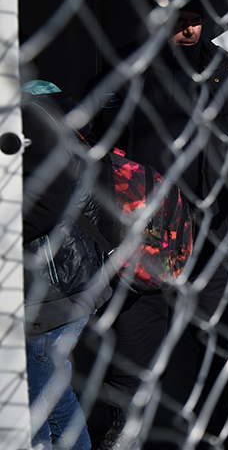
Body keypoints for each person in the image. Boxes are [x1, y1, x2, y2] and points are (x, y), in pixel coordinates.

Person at [84, 0, 228, 449]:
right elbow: (88, 130)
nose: (188, 28)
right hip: (140, 234)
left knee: (216, 337)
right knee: (133, 340)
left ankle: (221, 426)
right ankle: (126, 427)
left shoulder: (227, 73)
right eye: (178, 17)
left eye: (196, 18)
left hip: (210, 232)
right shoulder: (129, 67)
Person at [22, 82, 113, 450]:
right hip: (74, 276)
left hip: (53, 286)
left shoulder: (28, 119)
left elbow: (47, 207)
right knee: (53, 394)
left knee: (35, 406)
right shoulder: (54, 112)